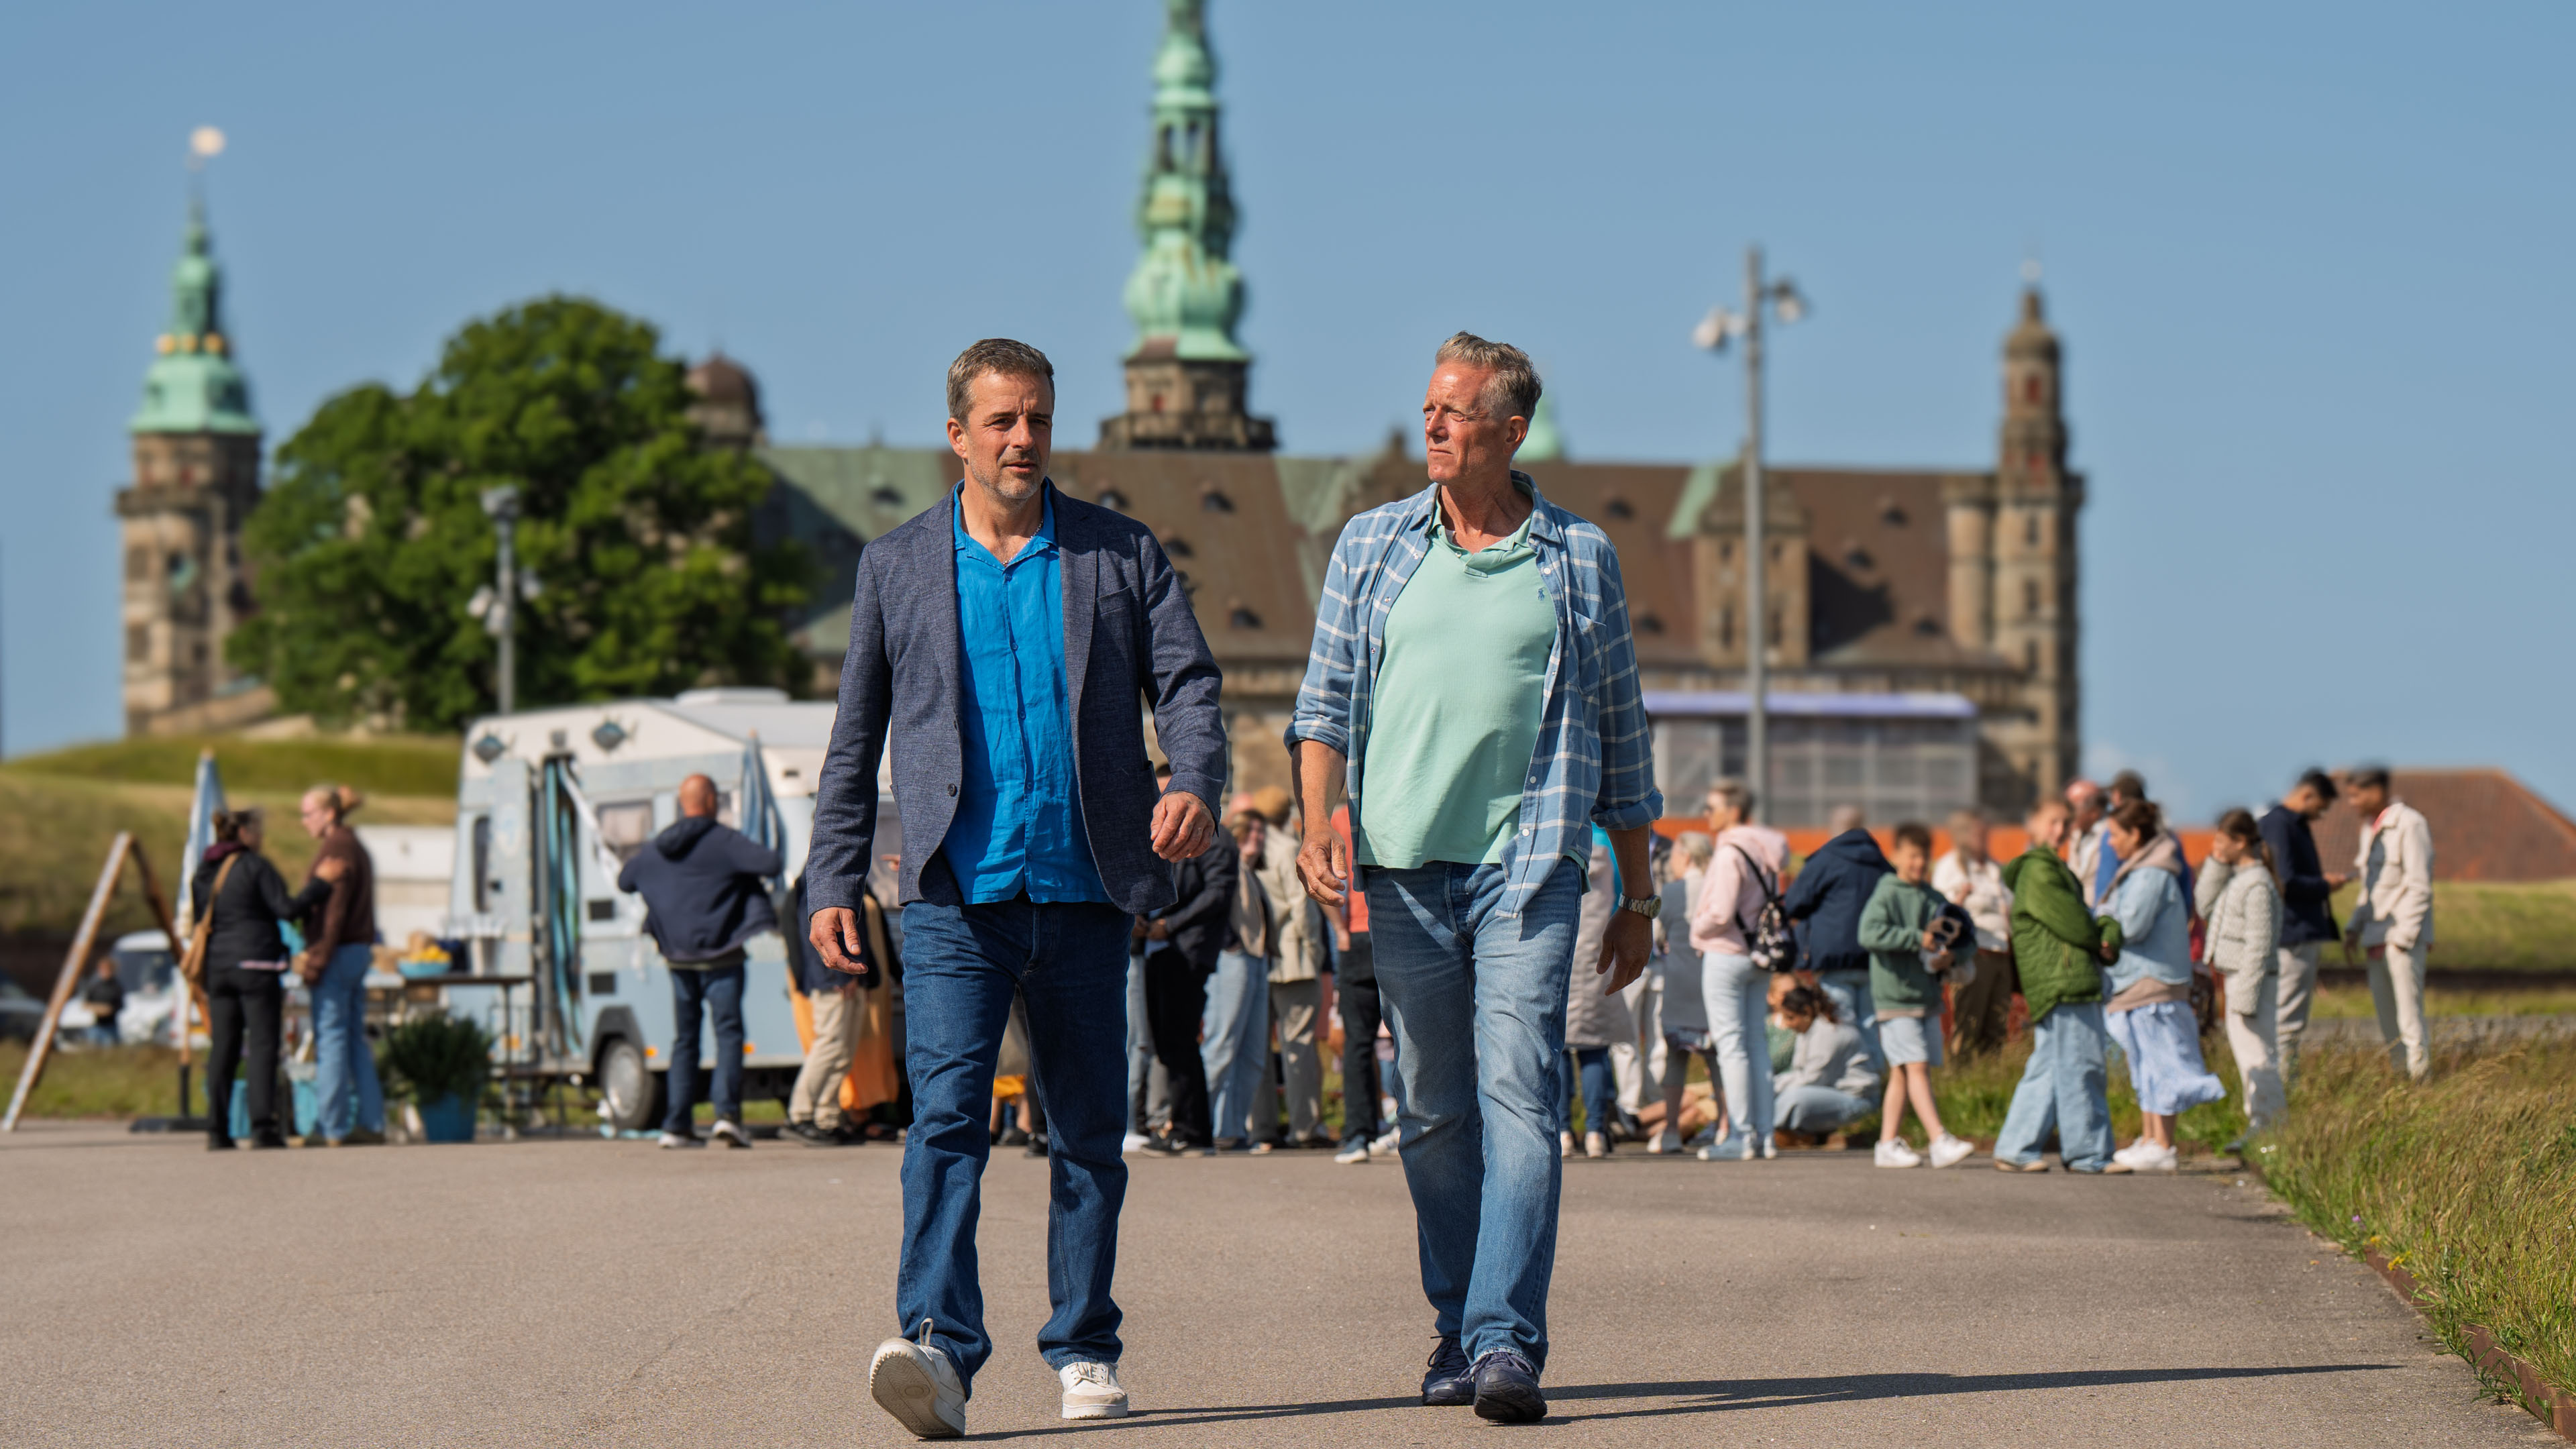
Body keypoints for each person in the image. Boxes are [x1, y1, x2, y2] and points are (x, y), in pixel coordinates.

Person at [803, 339, 1225, 1437]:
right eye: (1001, 421)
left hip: (1086, 888)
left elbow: (1187, 683)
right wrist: (831, 877)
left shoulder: (1117, 552)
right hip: (956, 896)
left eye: (1036, 417)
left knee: (1087, 1132)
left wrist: (1194, 778)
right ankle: (939, 1352)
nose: (1023, 438)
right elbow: (855, 738)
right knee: (946, 1122)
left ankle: (1084, 1347)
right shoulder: (897, 565)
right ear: (959, 435)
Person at [1288, 333, 1660, 1424]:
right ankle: (1455, 1326)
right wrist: (1315, 825)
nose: (1433, 425)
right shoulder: (1372, 543)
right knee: (1435, 1110)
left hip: (1528, 867)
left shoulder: (1578, 556)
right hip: (1401, 870)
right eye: (1429, 408)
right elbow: (1323, 703)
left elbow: (1623, 732)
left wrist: (1639, 898)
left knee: (1521, 1095)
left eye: (1455, 411)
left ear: (1511, 430)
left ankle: (1505, 1342)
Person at [616, 772, 780, 1150]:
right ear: (711, 802)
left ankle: (677, 1126)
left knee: (684, 1039)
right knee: (728, 1034)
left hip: (678, 958)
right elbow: (770, 864)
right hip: (723, 955)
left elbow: (626, 881)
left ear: (682, 803)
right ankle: (727, 1117)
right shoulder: (724, 841)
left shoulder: (658, 847)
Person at [1991, 798, 2122, 1173]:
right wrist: (2103, 933)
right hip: (2065, 979)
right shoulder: (2039, 869)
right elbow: (2074, 922)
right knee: (2083, 1065)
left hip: (2059, 979)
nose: (2061, 830)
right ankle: (2089, 1153)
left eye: (2066, 822)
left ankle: (2016, 1147)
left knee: (2050, 1066)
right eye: (2052, 822)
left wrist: (2100, 929)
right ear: (2032, 824)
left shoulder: (2046, 868)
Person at [193, 806, 334, 1150]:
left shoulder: (204, 871)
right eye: (258, 830)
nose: (261, 837)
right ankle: (262, 1127)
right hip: (257, 965)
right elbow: (286, 909)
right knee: (262, 1045)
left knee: (223, 1047)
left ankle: (217, 1130)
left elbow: (201, 918)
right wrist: (320, 886)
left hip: (218, 968)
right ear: (244, 833)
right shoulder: (254, 866)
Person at [2099, 799, 2226, 1171]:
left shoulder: (2151, 874)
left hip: (2153, 983)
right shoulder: (2141, 871)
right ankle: (2150, 1138)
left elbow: (2131, 926)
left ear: (2136, 834)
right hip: (2138, 981)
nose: (2110, 843)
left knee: (2161, 1064)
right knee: (2143, 1065)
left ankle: (2164, 1144)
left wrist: (2104, 922)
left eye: (2115, 835)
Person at [1858, 822, 1977, 1169]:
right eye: (1912, 856)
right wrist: (1916, 939)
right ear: (1895, 856)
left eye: (1924, 856)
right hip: (1895, 999)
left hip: (1926, 998)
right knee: (1917, 1066)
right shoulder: (1886, 893)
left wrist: (1951, 957)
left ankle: (1886, 1145)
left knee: (1902, 1072)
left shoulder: (1933, 897)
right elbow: (1868, 933)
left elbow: (1967, 939)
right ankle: (1939, 1140)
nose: (1919, 863)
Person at [1686, 779, 1788, 1162]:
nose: (1706, 814)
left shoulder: (1730, 852)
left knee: (1731, 1047)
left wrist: (1697, 929)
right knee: (1756, 1044)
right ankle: (1765, 1135)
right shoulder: (1767, 850)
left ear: (1733, 811)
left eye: (1712, 808)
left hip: (1726, 954)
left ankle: (1740, 1136)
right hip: (1758, 956)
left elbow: (1720, 912)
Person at [294, 784, 384, 1147]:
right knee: (352, 1039)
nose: (304, 822)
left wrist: (317, 959)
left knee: (330, 1038)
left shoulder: (337, 849)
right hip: (358, 950)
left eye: (308, 814)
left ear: (329, 813)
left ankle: (330, 1126)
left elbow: (334, 913)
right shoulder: (355, 844)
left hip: (339, 951)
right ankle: (372, 1122)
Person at [2341, 766, 2435, 1081]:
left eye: (2356, 795)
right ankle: (2401, 1086)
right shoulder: (2369, 830)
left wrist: (2403, 937)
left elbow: (2420, 885)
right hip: (2374, 936)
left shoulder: (2410, 823)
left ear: (2376, 791)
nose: (2352, 803)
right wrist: (2354, 927)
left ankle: (2421, 1082)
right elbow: (2370, 887)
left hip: (2400, 939)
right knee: (2388, 1023)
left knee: (2410, 1019)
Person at [1248, 786, 1329, 1149]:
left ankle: (1261, 1127)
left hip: (1258, 957)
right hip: (1293, 957)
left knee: (1258, 1047)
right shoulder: (1286, 848)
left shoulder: (1250, 847)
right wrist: (1314, 949)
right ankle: (1304, 1127)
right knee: (1300, 1044)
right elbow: (1302, 906)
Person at [1781, 812, 1894, 1073]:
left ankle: (1846, 1084)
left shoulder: (1826, 860)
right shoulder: (1882, 864)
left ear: (1834, 830)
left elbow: (1794, 903)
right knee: (1870, 1026)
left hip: (1835, 958)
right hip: (1875, 959)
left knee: (1840, 1025)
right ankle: (1872, 1084)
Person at [2198, 808, 2284, 1138]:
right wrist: (2217, 863)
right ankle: (2259, 1126)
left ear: (2241, 841)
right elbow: (2203, 904)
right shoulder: (2237, 878)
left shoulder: (2258, 884)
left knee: (2258, 1056)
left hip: (2251, 981)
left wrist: (2246, 995)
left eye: (2222, 841)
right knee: (2248, 1057)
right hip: (2239, 979)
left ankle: (2272, 1130)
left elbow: (2260, 943)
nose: (2216, 846)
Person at [2257, 768, 2345, 1085]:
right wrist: (2324, 885)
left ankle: (2281, 1082)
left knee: (2286, 1015)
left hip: (2294, 932)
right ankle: (2283, 1085)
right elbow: (2286, 880)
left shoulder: (2287, 824)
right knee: (2287, 1018)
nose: (2320, 816)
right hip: (2293, 933)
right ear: (2307, 795)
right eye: (2320, 808)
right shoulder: (2281, 825)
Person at [1562, 832, 1638, 1159]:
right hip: (1597, 958)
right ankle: (1595, 1131)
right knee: (1595, 1047)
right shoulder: (1607, 845)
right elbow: (1623, 897)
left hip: (1560, 954)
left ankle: (1563, 1132)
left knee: (1559, 1047)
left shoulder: (1559, 840)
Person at [1201, 808, 1272, 1151]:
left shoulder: (1253, 873)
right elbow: (1215, 902)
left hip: (1257, 960)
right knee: (1221, 1045)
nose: (1257, 837)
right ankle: (1203, 1126)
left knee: (1252, 1053)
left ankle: (1232, 1130)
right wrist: (1229, 943)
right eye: (1251, 830)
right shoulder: (1228, 861)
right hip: (1233, 959)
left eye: (1261, 831)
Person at [787, 873, 872, 1147]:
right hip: (834, 979)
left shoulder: (842, 873)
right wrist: (837, 975)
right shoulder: (822, 875)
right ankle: (800, 1115)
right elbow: (813, 932)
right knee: (829, 1047)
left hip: (849, 978)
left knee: (843, 1053)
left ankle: (827, 1118)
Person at [1646, 832, 1714, 1154]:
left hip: (1679, 984)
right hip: (1711, 985)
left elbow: (1656, 936)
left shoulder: (1672, 892)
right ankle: (1725, 1127)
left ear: (1685, 856)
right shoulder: (1715, 887)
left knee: (1676, 1059)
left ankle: (1671, 1131)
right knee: (1717, 1060)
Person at [1327, 801, 1386, 1164]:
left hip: (1358, 933)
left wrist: (1339, 931)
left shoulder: (1339, 816)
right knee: (1413, 1037)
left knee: (1358, 1042)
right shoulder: (1392, 802)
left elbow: (1327, 879)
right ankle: (1411, 1128)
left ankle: (1360, 1135)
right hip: (1395, 930)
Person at [1933, 808, 2015, 1057]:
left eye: (1985, 831)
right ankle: (1961, 1073)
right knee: (1969, 1024)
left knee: (1997, 1027)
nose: (1983, 836)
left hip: (2002, 953)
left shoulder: (1995, 868)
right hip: (1974, 955)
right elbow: (1941, 911)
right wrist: (1960, 898)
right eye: (1977, 832)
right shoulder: (1950, 866)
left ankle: (1991, 1074)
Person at [1771, 983, 1878, 1143]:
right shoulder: (1808, 1031)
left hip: (1857, 1100)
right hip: (1831, 1093)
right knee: (1787, 1094)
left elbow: (1815, 1079)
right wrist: (1772, 1085)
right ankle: (1795, 1134)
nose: (1787, 1024)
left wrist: (1775, 1088)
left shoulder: (1830, 1032)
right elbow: (1800, 1074)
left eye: (1791, 1018)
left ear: (1807, 1012)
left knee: (1795, 1098)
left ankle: (1768, 1130)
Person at [2065, 780, 2108, 908]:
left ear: (2094, 812)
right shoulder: (2075, 835)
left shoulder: (2111, 835)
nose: (2069, 815)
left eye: (2073, 809)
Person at [80, 957, 125, 1046]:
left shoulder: (116, 986)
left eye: (107, 969)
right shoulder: (94, 986)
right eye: (102, 969)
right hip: (96, 1027)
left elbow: (120, 1005)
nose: (104, 971)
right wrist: (100, 1009)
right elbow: (85, 1004)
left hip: (111, 1027)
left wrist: (109, 1010)